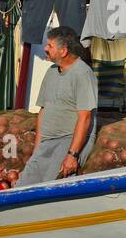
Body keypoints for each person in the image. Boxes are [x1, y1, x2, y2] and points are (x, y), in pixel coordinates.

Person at [16, 26, 98, 186]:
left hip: (67, 141)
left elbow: (85, 118)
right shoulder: (51, 72)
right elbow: (43, 111)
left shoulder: (83, 74)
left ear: (64, 51)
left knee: (50, 187)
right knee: (23, 186)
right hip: (46, 142)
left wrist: (72, 155)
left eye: (50, 46)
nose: (45, 49)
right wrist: (37, 149)